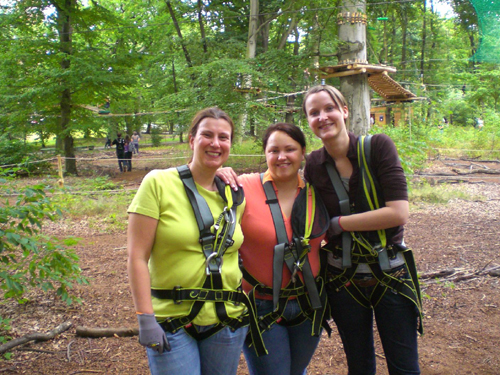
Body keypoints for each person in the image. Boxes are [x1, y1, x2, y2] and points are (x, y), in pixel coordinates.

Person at [302, 84, 423, 375]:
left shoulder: (378, 147)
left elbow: (398, 212)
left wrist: (339, 224)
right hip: (343, 279)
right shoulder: (314, 165)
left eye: (329, 108)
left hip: (390, 273)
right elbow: (279, 178)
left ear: (345, 111)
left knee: (404, 366)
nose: (323, 117)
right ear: (308, 120)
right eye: (314, 112)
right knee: (359, 365)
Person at [127, 107, 253, 375]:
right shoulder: (159, 183)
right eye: (207, 134)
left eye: (224, 137)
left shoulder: (233, 194)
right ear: (191, 139)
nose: (215, 143)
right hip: (171, 321)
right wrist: (144, 317)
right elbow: (137, 256)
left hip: (226, 319)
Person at [216, 123, 329, 375]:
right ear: (265, 154)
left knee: (297, 371)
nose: (281, 156)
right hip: (260, 305)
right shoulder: (242, 187)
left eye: (290, 149)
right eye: (273, 150)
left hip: (309, 304)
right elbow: (200, 191)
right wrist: (217, 172)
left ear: (302, 153)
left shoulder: (317, 193)